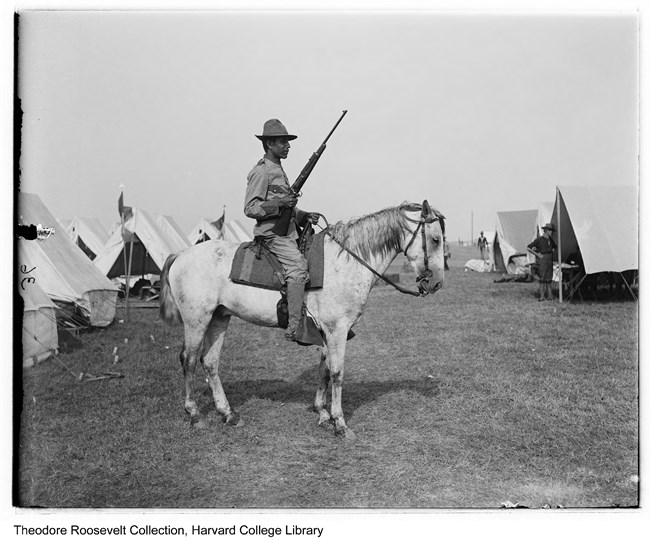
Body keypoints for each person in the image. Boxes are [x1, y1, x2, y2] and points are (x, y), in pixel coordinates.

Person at [244, 119, 320, 342]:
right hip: (272, 234)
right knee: (298, 268)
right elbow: (250, 208)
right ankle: (295, 327)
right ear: (269, 144)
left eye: (288, 142)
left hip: (289, 232)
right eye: (282, 142)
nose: (288, 146)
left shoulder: (279, 169)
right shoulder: (261, 171)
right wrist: (280, 205)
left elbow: (288, 206)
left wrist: (303, 215)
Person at [527, 223, 557, 301]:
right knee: (542, 278)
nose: (551, 232)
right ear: (546, 230)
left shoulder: (550, 240)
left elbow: (555, 247)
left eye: (551, 231)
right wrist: (537, 254)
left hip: (549, 259)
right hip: (543, 259)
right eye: (550, 230)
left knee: (549, 278)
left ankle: (550, 296)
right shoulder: (539, 240)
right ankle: (542, 296)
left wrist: (551, 251)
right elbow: (528, 248)